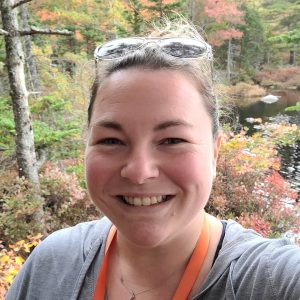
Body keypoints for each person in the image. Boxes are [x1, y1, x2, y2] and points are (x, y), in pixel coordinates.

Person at [6, 20, 300, 300]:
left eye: (172, 140)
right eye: (111, 141)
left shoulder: (271, 281)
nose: (138, 171)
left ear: (214, 153)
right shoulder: (52, 264)